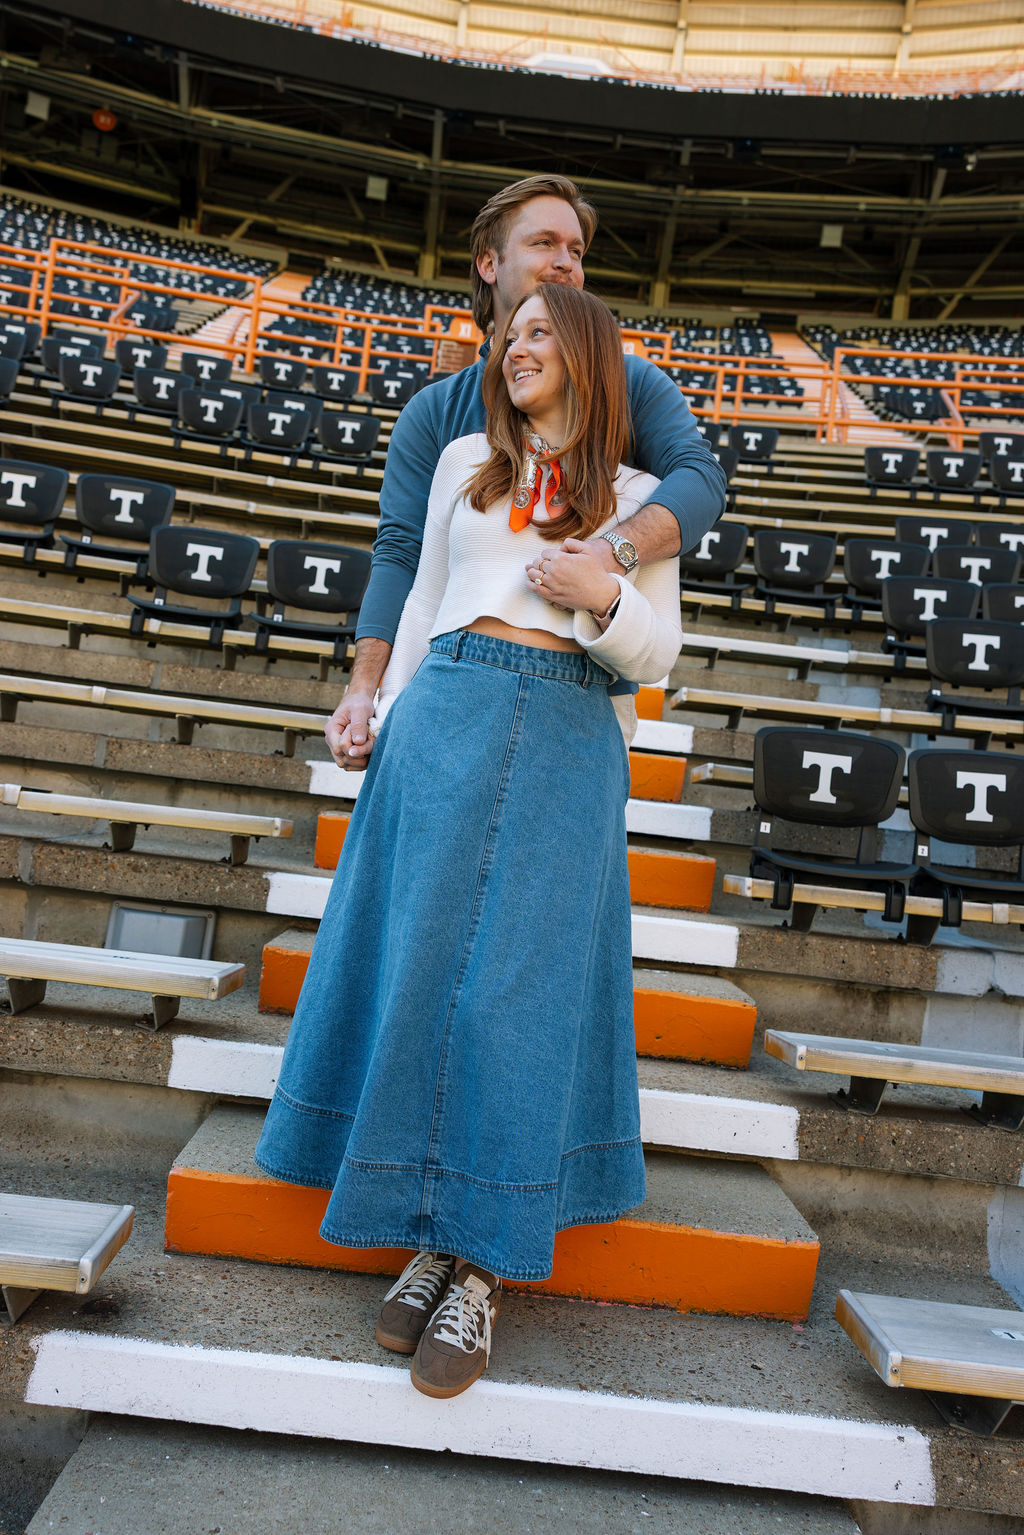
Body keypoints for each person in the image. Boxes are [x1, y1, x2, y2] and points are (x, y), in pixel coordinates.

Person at [254, 282, 683, 1401]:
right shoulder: (461, 468)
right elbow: (427, 601)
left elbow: (656, 660)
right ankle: (429, 1237)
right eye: (510, 332)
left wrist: (603, 591)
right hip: (444, 717)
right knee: (423, 976)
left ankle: (481, 1267)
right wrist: (376, 718)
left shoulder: (639, 503)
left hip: (565, 736)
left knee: (514, 998)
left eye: (541, 331)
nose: (515, 345)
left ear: (589, 356)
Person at [327, 172, 726, 771]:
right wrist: (367, 690)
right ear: (489, 262)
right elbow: (402, 556)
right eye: (545, 243)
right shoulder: (436, 415)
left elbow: (701, 478)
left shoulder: (632, 384)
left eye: (577, 250)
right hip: (446, 695)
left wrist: (612, 553)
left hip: (581, 703)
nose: (566, 262)